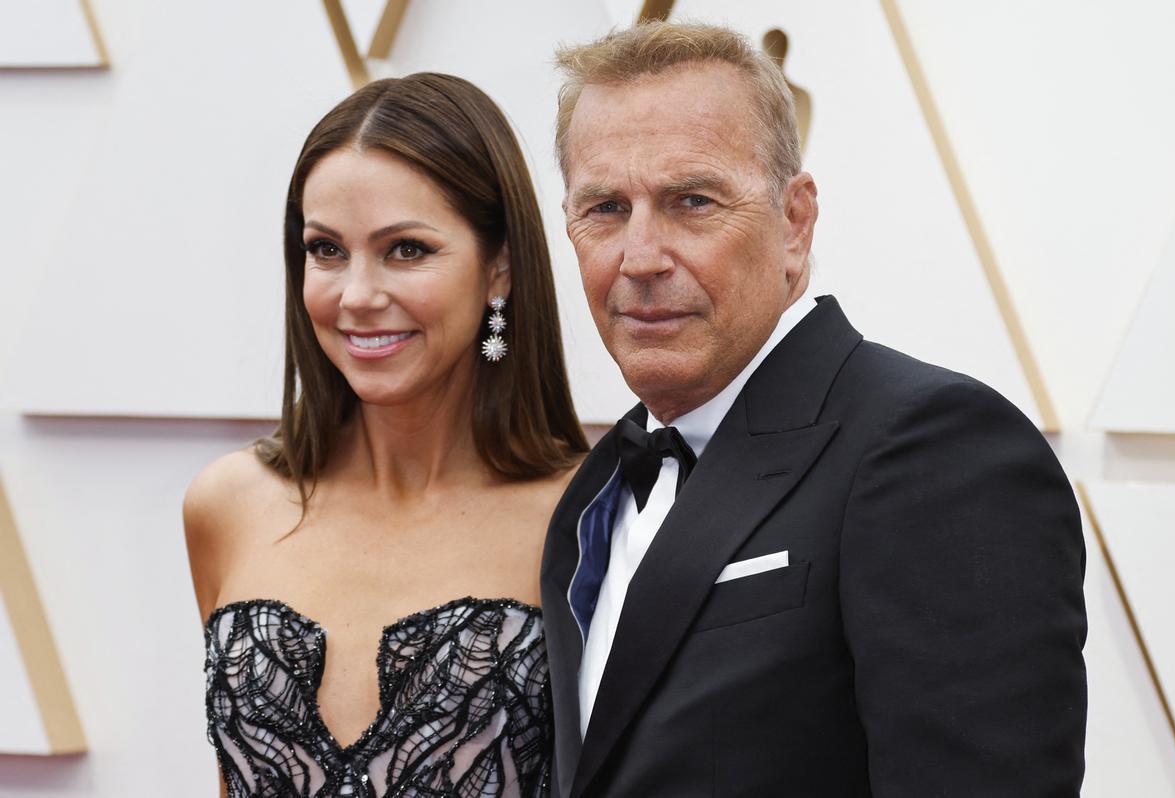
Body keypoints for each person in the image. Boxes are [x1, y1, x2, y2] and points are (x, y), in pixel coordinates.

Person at [540, 22, 1087, 797]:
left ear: (794, 222)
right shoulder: (596, 488)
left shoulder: (934, 449)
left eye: (691, 201)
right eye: (603, 208)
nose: (640, 257)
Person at [184, 73, 588, 797]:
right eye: (327, 249)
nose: (359, 296)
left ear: (499, 267)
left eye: (406, 249)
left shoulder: (587, 514)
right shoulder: (228, 505)